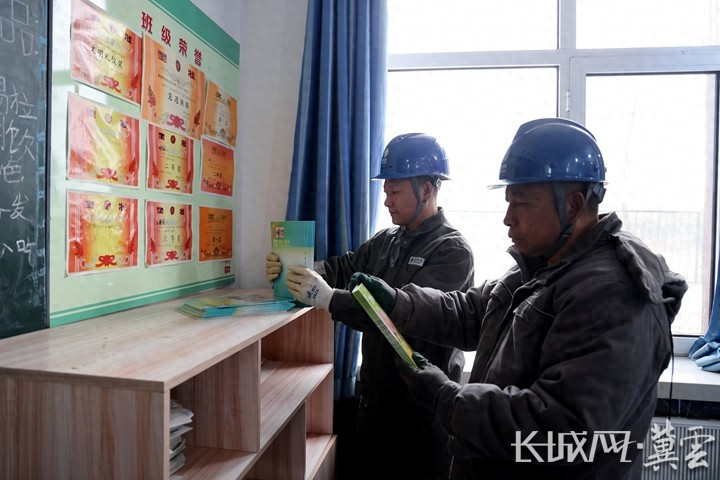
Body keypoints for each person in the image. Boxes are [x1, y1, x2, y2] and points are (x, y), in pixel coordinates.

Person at [295, 118, 688, 479]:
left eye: (521, 202)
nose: (507, 218)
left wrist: (448, 398)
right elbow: (469, 312)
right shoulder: (538, 268)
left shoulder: (611, 295)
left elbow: (562, 431)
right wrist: (398, 302)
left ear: (572, 204)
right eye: (507, 201)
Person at [269, 132, 475, 480]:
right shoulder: (385, 241)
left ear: (427, 189)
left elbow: (402, 318)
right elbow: (341, 268)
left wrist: (329, 298)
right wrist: (293, 270)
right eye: (385, 191)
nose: (387, 201)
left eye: (394, 192)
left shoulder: (452, 251)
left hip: (421, 415)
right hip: (374, 405)